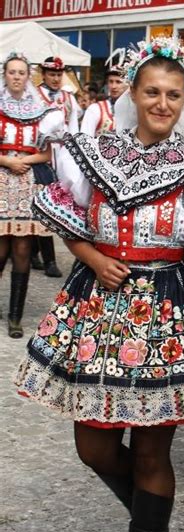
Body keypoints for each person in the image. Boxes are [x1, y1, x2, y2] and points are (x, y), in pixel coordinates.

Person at [15, 36, 184, 532]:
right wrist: (90, 256)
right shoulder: (91, 152)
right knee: (92, 445)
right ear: (134, 94)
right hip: (98, 304)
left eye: (174, 95)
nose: (162, 103)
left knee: (151, 449)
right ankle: (151, 514)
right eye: (153, 92)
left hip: (168, 310)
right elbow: (68, 216)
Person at [0, 52, 62, 337]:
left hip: (27, 182)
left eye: (21, 72)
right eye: (11, 72)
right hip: (1, 178)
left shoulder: (42, 110)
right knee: (0, 249)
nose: (16, 76)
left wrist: (26, 161)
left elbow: (49, 152)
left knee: (23, 248)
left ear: (28, 76)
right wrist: (8, 161)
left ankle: (15, 317)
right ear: (5, 75)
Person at [32, 55, 79, 278]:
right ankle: (48, 259)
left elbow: (75, 127)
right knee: (40, 200)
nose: (56, 78)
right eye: (52, 74)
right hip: (39, 153)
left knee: (62, 199)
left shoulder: (69, 98)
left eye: (59, 74)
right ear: (44, 74)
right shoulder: (34, 95)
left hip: (62, 154)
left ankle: (35, 251)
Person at [80, 66, 126, 137]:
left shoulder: (134, 110)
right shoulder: (95, 109)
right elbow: (85, 138)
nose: (113, 86)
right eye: (111, 81)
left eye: (118, 82)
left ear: (127, 84)